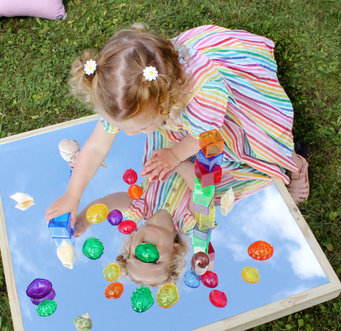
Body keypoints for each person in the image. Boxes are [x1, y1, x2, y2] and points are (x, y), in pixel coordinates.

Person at [45, 23, 309, 226]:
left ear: (164, 103)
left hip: (233, 108)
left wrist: (174, 154)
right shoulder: (120, 94)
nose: (127, 133)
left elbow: (207, 137)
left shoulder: (203, 94)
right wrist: (72, 196)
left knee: (253, 146)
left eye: (138, 128)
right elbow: (94, 149)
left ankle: (293, 162)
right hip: (183, 104)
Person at [74, 148, 196, 287]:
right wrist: (177, 164)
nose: (146, 253)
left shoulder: (139, 209)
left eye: (137, 256)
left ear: (131, 245)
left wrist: (83, 220)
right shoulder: (187, 223)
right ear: (174, 252)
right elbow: (202, 188)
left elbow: (108, 202)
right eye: (155, 261)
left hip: (166, 133)